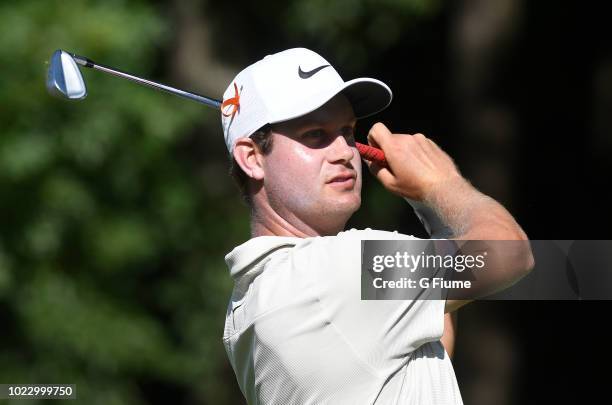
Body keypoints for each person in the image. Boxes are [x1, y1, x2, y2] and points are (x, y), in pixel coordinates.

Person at [221, 48, 533, 404]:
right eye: (315, 134)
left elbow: (432, 342)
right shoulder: (330, 274)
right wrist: (439, 183)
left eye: (347, 131)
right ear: (251, 158)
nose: (344, 151)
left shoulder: (251, 300)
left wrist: (424, 202)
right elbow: (510, 253)